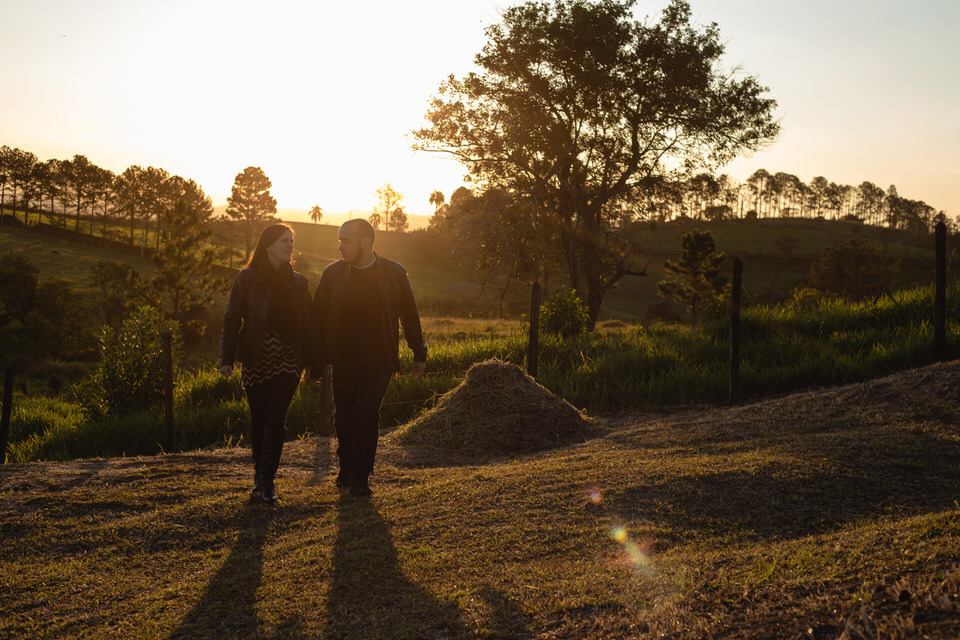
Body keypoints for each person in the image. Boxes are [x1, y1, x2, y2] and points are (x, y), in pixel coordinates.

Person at [311, 218, 426, 497]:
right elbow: (318, 319)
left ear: (365, 242)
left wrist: (418, 352)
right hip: (343, 357)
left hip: (378, 359)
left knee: (366, 414)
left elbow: (409, 315)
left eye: (345, 240)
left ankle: (360, 477)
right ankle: (346, 468)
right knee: (344, 416)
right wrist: (315, 363)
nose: (340, 247)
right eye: (339, 240)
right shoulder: (333, 274)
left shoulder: (394, 273)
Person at [219, 223, 320, 503]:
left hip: (289, 357)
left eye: (291, 241)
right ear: (268, 246)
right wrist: (226, 359)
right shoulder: (247, 278)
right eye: (283, 241)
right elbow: (231, 318)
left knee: (276, 417)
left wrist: (314, 363)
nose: (290, 245)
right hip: (256, 355)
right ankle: (258, 476)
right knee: (259, 418)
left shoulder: (299, 282)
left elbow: (309, 325)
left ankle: (267, 480)